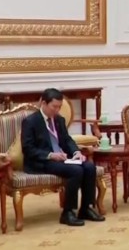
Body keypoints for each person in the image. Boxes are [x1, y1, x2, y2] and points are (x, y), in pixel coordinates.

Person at [21, 88, 105, 226]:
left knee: (89, 167)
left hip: (62, 159)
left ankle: (86, 208)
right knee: (75, 171)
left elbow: (67, 140)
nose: (57, 110)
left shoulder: (59, 120)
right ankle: (67, 212)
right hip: (42, 161)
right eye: (54, 106)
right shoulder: (31, 121)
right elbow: (28, 149)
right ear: (43, 103)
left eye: (59, 107)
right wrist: (51, 155)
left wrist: (76, 152)